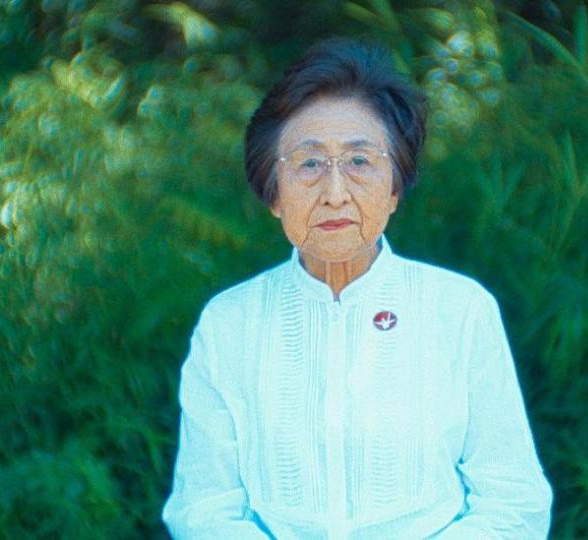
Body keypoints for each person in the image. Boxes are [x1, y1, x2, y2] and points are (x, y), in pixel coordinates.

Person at [162, 37, 552, 539]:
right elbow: (203, 508)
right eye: (308, 164)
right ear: (273, 194)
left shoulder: (459, 309)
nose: (335, 193)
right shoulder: (229, 323)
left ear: (394, 188)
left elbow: (514, 500)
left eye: (360, 161)